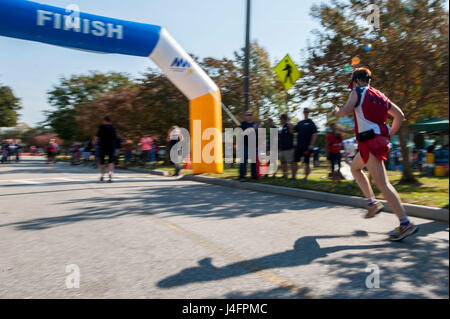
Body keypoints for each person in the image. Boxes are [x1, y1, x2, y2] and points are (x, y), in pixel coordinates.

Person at [333, 67, 418, 241]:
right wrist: (390, 134)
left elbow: (346, 110)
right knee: (355, 168)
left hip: (369, 142)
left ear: (356, 81)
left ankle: (405, 223)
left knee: (383, 183)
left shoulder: (357, 91)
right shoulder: (380, 95)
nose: (353, 87)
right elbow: (399, 115)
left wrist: (336, 112)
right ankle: (372, 203)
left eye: (353, 83)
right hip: (374, 141)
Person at [293, 107, 318, 180]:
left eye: (307, 112)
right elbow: (293, 130)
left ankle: (305, 177)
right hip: (299, 146)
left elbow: (315, 134)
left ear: (308, 113)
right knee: (295, 161)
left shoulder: (311, 123)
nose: (306, 113)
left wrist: (311, 144)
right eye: (305, 112)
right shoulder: (300, 123)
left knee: (306, 163)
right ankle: (293, 177)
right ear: (303, 113)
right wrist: (289, 125)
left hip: (307, 146)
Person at [239, 111, 259, 181]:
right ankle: (242, 176)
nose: (249, 116)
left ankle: (254, 176)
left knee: (254, 161)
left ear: (252, 116)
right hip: (245, 145)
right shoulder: (243, 124)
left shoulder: (255, 124)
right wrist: (253, 129)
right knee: (243, 161)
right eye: (247, 115)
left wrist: (257, 128)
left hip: (254, 145)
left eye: (250, 115)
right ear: (245, 116)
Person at [96, 116, 117, 182]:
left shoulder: (102, 127)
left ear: (105, 120)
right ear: (110, 121)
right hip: (111, 146)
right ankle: (110, 173)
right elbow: (115, 137)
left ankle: (102, 176)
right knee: (111, 161)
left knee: (102, 161)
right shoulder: (113, 128)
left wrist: (95, 144)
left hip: (103, 146)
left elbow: (96, 137)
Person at [278, 114, 295, 179]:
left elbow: (291, 131)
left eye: (281, 119)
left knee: (291, 162)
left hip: (289, 148)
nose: (280, 121)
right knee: (283, 162)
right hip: (282, 149)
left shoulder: (289, 125)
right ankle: (285, 175)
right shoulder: (283, 127)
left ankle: (293, 177)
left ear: (284, 119)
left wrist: (289, 123)